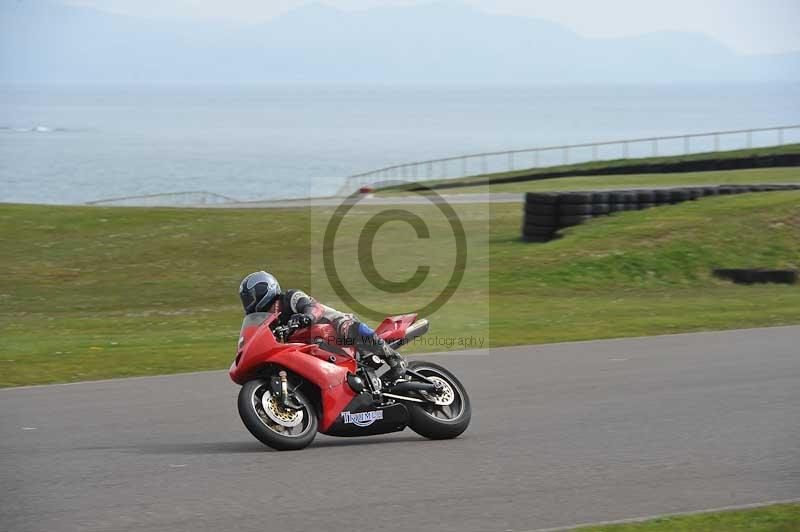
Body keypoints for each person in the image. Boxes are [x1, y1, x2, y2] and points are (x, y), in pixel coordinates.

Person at [238, 271, 407, 379]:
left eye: (250, 297)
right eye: (246, 299)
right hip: (312, 349)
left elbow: (314, 307)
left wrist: (305, 317)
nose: (248, 302)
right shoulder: (270, 321)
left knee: (347, 328)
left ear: (264, 289)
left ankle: (394, 358)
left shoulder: (289, 297)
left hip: (331, 328)